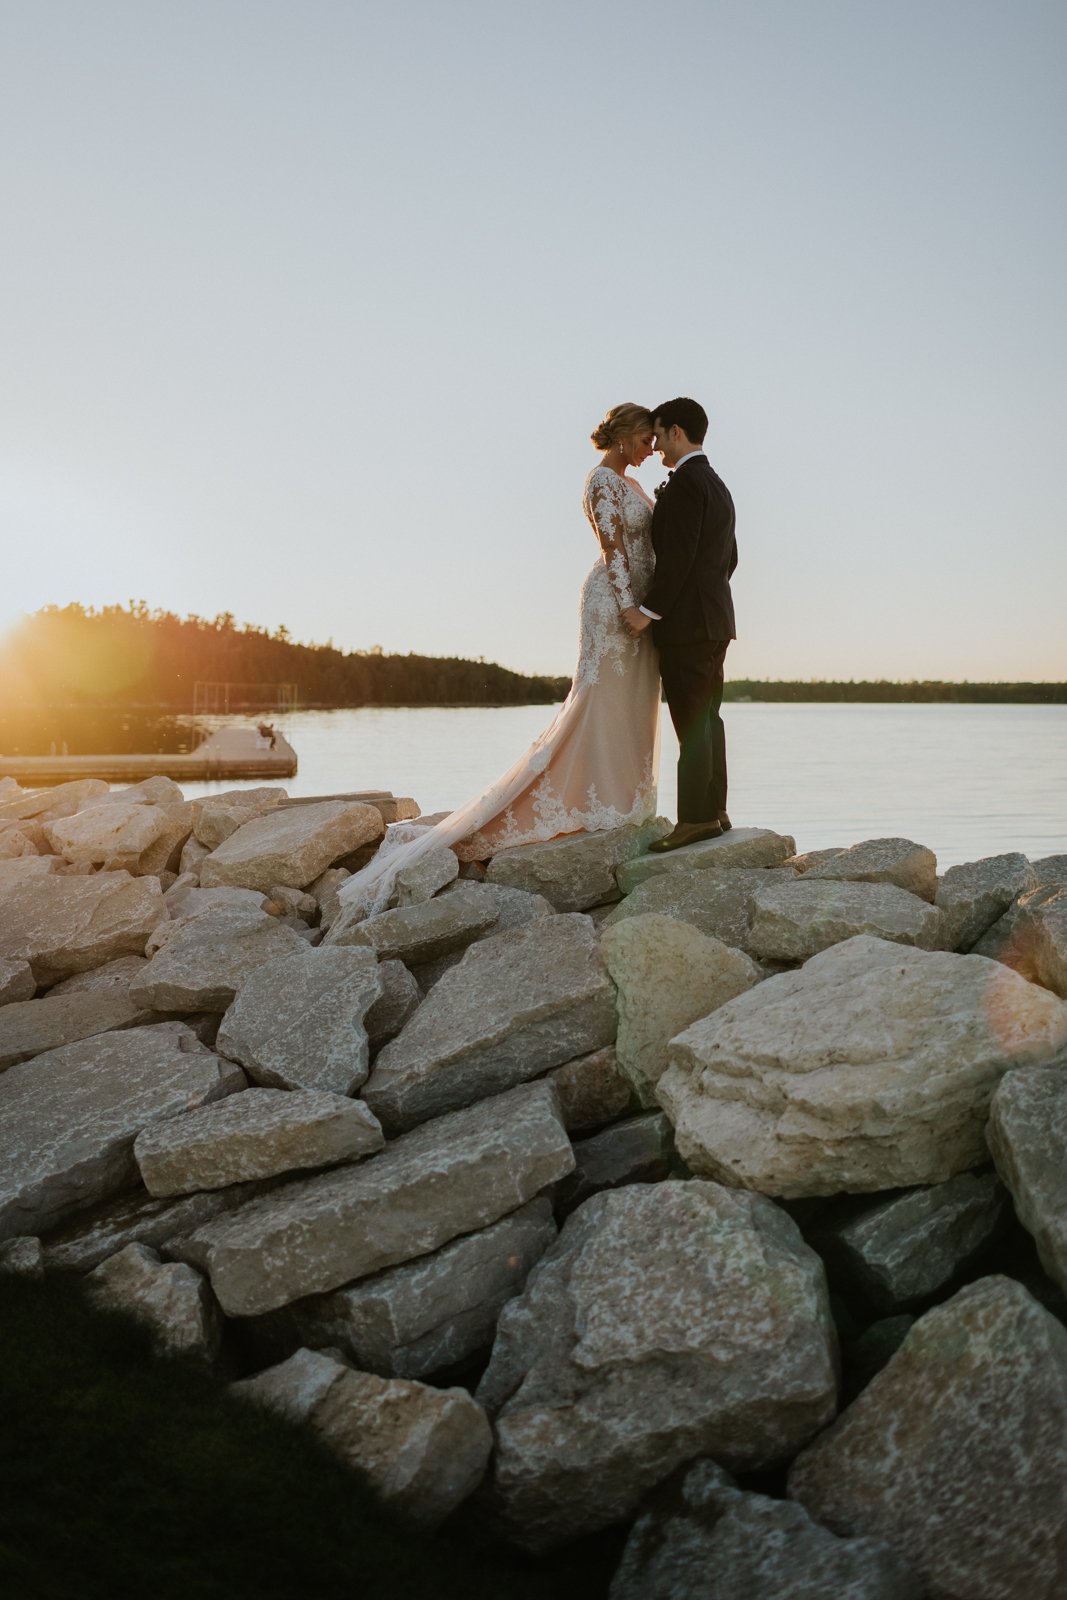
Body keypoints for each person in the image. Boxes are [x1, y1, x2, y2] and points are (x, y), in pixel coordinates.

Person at [336, 403, 662, 919]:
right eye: (647, 439)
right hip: (615, 605)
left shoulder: (633, 484)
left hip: (641, 606)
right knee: (598, 699)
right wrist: (627, 605)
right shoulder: (601, 482)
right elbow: (614, 546)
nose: (651, 450)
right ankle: (590, 799)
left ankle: (621, 796)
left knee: (630, 701)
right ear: (625, 436)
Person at [621, 397, 737, 853]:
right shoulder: (717, 484)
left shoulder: (689, 483)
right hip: (715, 618)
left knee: (691, 720)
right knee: (708, 718)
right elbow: (729, 558)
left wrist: (649, 611)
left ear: (674, 431)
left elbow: (680, 557)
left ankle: (696, 820)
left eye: (658, 434)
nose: (656, 447)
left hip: (689, 625)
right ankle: (716, 810)